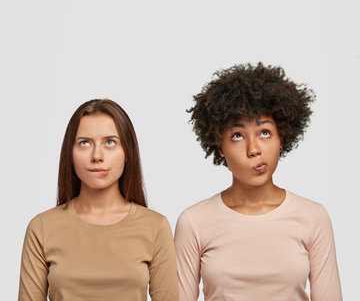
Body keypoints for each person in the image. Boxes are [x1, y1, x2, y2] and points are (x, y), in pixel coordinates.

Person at [174, 63, 342, 301]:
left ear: (281, 138)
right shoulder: (194, 222)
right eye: (237, 136)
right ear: (219, 146)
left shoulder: (313, 217)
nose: (254, 149)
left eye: (264, 132)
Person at [18, 99, 179, 301]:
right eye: (84, 143)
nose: (97, 155)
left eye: (110, 142)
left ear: (127, 152)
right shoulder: (41, 228)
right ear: (70, 154)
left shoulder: (156, 227)